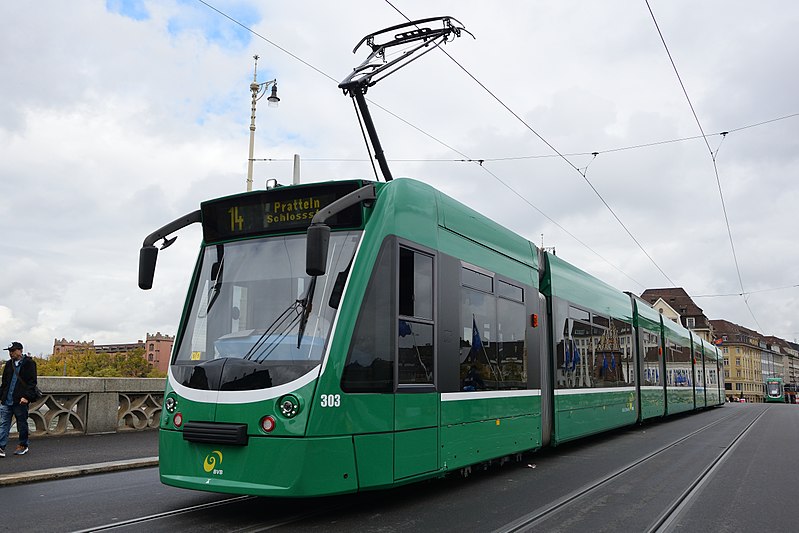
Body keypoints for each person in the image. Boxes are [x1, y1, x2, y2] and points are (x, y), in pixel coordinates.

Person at [0, 341, 38, 457]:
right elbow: (5, 383)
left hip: (20, 400)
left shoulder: (29, 363)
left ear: (20, 350)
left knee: (21, 424)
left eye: (13, 351)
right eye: (10, 351)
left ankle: (23, 445)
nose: (11, 353)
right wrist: (1, 397)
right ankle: (1, 447)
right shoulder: (8, 364)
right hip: (7, 400)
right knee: (3, 423)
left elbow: (32, 383)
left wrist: (26, 397)